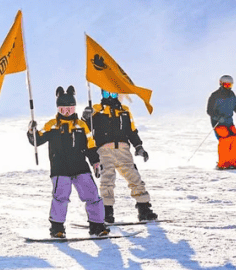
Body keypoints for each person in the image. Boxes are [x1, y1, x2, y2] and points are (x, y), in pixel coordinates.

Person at [28, 86, 108, 238]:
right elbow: (37, 140)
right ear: (58, 108)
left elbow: (91, 146)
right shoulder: (52, 125)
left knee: (92, 194)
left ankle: (97, 226)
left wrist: (96, 163)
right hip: (60, 168)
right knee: (61, 196)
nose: (66, 112)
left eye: (69, 108)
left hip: (80, 167)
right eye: (63, 109)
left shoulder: (81, 125)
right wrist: (31, 131)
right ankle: (57, 228)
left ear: (74, 107)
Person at [82, 90, 156, 222]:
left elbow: (132, 131)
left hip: (123, 149)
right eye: (106, 94)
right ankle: (107, 210)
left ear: (118, 95)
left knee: (134, 176)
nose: (110, 97)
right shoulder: (96, 110)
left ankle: (144, 208)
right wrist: (85, 118)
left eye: (113, 94)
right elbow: (85, 129)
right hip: (104, 150)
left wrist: (139, 147)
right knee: (107, 178)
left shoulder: (125, 111)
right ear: (101, 94)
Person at [206, 75, 236, 170]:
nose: (228, 87)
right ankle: (222, 164)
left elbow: (235, 108)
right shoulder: (215, 95)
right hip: (218, 123)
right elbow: (209, 111)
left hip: (229, 122)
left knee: (235, 139)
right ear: (221, 84)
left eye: (230, 85)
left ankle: (234, 163)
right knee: (225, 140)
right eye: (226, 85)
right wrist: (218, 118)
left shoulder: (232, 95)